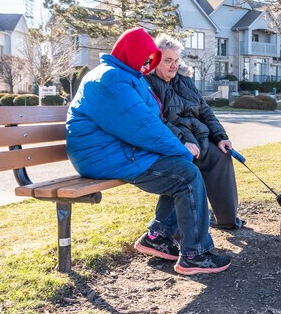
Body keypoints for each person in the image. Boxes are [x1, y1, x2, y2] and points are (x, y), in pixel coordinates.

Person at [66, 27, 231, 275]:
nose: (147, 65)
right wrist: (181, 149)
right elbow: (145, 127)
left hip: (115, 150)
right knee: (185, 176)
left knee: (181, 172)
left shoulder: (124, 75)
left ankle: (157, 237)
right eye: (146, 59)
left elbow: (150, 120)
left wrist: (179, 150)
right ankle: (195, 254)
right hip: (102, 156)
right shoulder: (111, 80)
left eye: (150, 60)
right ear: (130, 53)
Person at [145, 36, 245, 230]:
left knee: (222, 157)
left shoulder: (184, 80)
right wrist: (182, 141)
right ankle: (175, 231)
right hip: (175, 141)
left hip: (199, 138)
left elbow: (204, 110)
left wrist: (220, 137)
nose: (173, 66)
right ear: (155, 60)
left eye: (176, 61)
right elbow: (157, 121)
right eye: (168, 60)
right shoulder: (148, 83)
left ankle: (227, 219)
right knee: (187, 167)